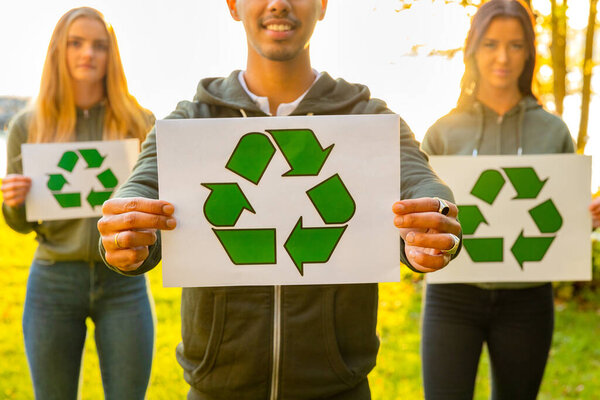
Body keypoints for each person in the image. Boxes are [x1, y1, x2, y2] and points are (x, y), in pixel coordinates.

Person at [97, 1, 462, 398]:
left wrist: (434, 217)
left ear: (322, 6)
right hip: (217, 387)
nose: (279, 3)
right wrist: (124, 232)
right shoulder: (190, 123)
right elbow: (140, 187)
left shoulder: (367, 120)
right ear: (234, 6)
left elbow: (422, 182)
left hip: (338, 386)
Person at [420, 1, 575, 399]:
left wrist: (585, 216)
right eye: (490, 44)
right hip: (452, 294)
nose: (503, 57)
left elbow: (563, 215)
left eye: (516, 45)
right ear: (473, 48)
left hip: (527, 298)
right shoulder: (442, 134)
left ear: (529, 51)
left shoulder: (553, 131)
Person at [0, 7, 155, 400]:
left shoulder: (139, 122)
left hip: (125, 283)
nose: (88, 53)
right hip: (53, 279)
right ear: (58, 52)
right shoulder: (26, 125)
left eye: (99, 45)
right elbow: (21, 224)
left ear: (112, 55)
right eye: (76, 43)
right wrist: (14, 202)